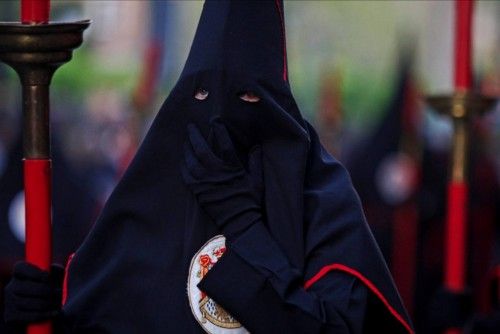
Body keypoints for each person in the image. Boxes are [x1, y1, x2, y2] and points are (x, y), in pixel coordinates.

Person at [4, 1, 413, 333]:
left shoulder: (324, 206)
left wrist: (246, 228)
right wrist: (47, 309)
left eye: (247, 98)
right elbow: (113, 309)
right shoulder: (158, 196)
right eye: (200, 94)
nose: (221, 117)